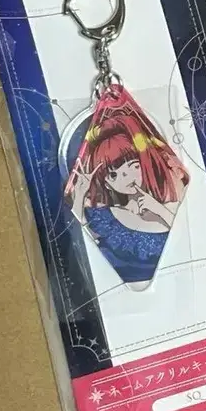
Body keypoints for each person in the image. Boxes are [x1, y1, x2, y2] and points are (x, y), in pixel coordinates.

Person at [65, 97, 189, 289]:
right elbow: (79, 228)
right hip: (107, 289)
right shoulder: (105, 216)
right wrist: (80, 193)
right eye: (114, 174)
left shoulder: (170, 206)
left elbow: (186, 231)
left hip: (178, 281)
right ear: (106, 182)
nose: (127, 176)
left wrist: (157, 208)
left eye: (133, 165)